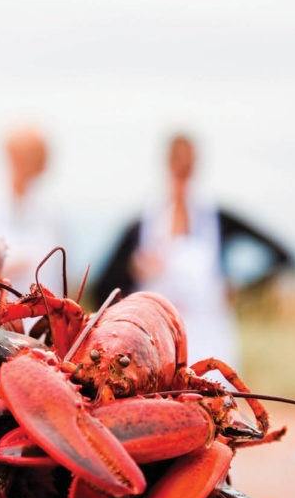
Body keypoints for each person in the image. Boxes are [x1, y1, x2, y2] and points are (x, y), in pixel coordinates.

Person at [96, 135, 242, 363]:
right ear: (167, 163)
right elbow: (104, 284)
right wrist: (133, 271)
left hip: (208, 338)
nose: (183, 169)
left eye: (188, 163)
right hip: (157, 343)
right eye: (178, 162)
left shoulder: (218, 219)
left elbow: (279, 254)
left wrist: (239, 284)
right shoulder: (141, 223)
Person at [0, 126, 64, 293]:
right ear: (15, 157)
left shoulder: (53, 213)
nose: (45, 163)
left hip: (44, 317)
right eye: (38, 155)